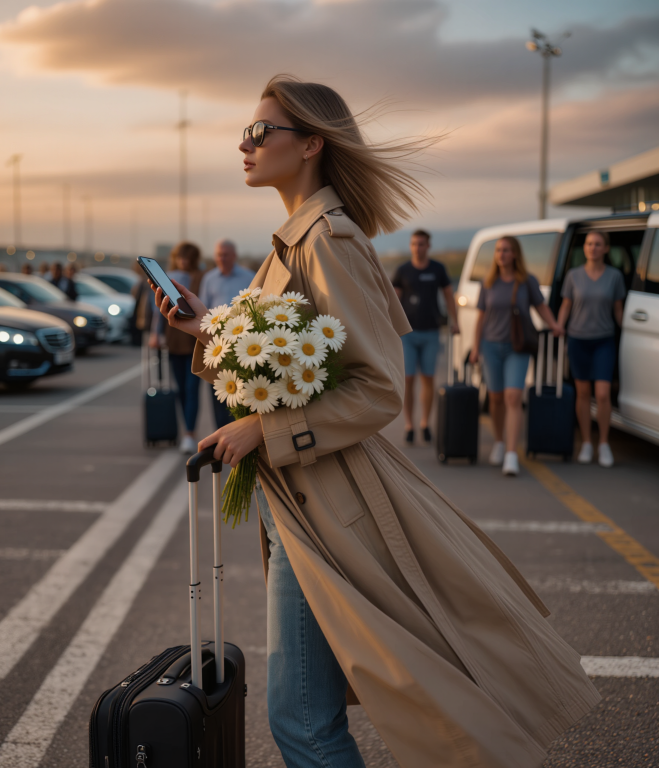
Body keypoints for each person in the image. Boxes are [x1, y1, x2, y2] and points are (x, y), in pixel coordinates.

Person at [151, 75, 599, 768]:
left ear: (310, 144)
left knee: (302, 722)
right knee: (309, 713)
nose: (244, 143)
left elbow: (378, 388)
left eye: (259, 130)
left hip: (327, 502)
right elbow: (281, 364)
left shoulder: (327, 241)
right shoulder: (289, 244)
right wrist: (202, 328)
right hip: (301, 500)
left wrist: (260, 433)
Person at [469, 237, 562, 476]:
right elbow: (480, 317)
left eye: (506, 250)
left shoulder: (526, 281)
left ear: (515, 254)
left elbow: (541, 306)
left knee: (513, 396)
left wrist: (554, 324)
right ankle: (499, 442)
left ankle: (511, 454)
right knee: (496, 398)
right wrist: (475, 347)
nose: (501, 254)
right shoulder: (488, 282)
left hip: (517, 347)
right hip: (490, 346)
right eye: (499, 250)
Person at [557, 231, 625, 467]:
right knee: (583, 393)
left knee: (603, 394)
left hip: (604, 341)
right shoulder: (573, 276)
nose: (592, 248)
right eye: (588, 244)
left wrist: (630, 328)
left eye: (597, 244)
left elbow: (618, 310)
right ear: (584, 248)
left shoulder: (614, 276)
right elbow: (566, 305)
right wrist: (558, 327)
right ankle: (586, 443)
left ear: (606, 249)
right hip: (578, 340)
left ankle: (604, 443)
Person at [391, 229, 458, 444]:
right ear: (410, 246)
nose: (417, 248)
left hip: (431, 331)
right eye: (414, 244)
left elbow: (448, 295)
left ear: (428, 246)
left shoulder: (437, 269)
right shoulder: (403, 270)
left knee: (428, 378)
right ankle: (410, 424)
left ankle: (425, 423)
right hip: (407, 333)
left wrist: (454, 321)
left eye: (421, 244)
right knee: (408, 380)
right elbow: (393, 299)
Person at [150, 242, 204, 454]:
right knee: (180, 389)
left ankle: (189, 433)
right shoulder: (169, 276)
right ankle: (187, 430)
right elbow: (158, 311)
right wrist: (156, 333)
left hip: (194, 340)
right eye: (180, 257)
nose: (183, 261)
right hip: (174, 338)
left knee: (192, 389)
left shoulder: (201, 276)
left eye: (187, 257)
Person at [198, 239, 255, 428]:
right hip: (217, 344)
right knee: (218, 390)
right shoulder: (209, 279)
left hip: (243, 343)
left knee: (241, 391)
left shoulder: (249, 277)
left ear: (234, 256)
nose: (222, 258)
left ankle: (240, 430)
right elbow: (203, 311)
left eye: (226, 254)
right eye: (219, 255)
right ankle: (220, 434)